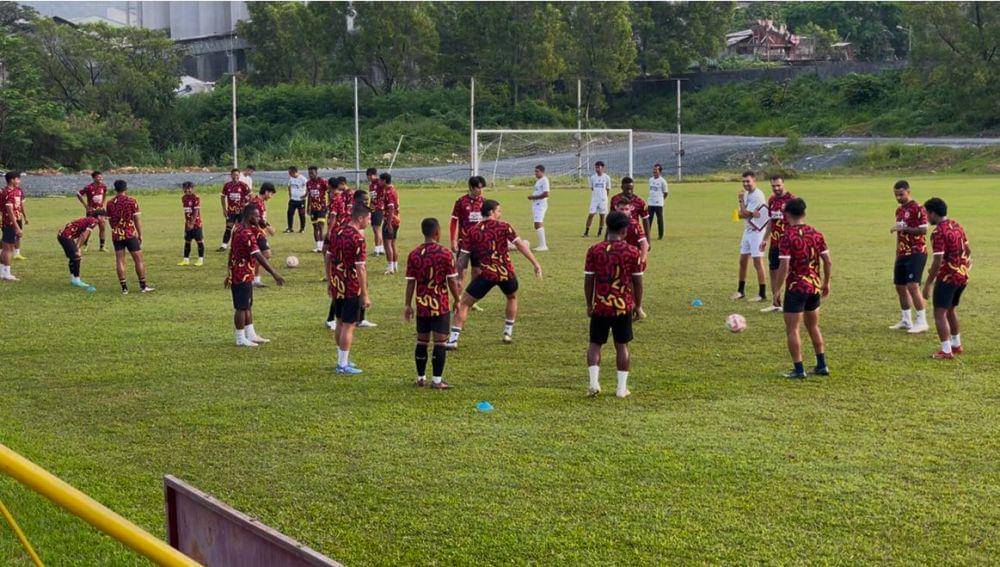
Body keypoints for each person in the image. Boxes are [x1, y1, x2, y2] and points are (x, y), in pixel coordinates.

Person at [446, 199, 542, 349]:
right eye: (498, 211)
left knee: (464, 303)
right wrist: (535, 263)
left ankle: (453, 340)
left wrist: (459, 276)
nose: (500, 213)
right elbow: (520, 245)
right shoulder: (504, 226)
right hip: (506, 272)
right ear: (491, 212)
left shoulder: (472, 231)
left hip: (486, 275)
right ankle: (507, 332)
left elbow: (463, 257)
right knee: (511, 297)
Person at [585, 211, 644, 398]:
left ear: (608, 227)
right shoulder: (633, 252)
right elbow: (637, 282)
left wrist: (589, 303)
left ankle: (594, 383)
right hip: (622, 305)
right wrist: (638, 305)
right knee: (621, 345)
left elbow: (589, 280)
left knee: (595, 344)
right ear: (625, 230)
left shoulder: (594, 249)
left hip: (600, 305)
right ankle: (621, 388)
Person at [775, 198, 831, 379]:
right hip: (814, 286)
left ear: (787, 215)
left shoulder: (786, 236)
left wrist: (777, 290)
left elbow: (784, 266)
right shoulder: (816, 234)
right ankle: (821, 365)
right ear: (804, 213)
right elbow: (827, 261)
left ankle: (799, 370)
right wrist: (826, 282)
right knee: (813, 326)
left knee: (793, 329)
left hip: (796, 287)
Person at [404, 218, 462, 389]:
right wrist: (457, 300)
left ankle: (420, 378)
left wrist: (408, 305)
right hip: (440, 303)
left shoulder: (414, 254)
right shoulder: (445, 254)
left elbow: (410, 283)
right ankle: (437, 381)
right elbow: (452, 281)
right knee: (440, 342)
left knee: (422, 341)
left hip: (422, 303)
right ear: (437, 232)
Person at [226, 204, 285, 347]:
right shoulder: (245, 233)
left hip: (244, 272)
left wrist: (262, 223)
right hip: (241, 274)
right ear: (249, 216)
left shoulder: (239, 228)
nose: (259, 218)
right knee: (241, 307)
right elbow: (258, 255)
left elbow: (232, 251)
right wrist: (274, 273)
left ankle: (250, 333)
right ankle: (240, 338)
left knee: (248, 304)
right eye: (257, 216)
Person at [922, 197, 971, 360]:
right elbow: (968, 249)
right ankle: (956, 345)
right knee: (950, 309)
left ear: (933, 213)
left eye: (927, 214)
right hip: (962, 276)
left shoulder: (938, 232)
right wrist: (961, 263)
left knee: (939, 313)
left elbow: (937, 261)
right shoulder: (956, 225)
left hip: (948, 278)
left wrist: (928, 283)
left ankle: (946, 351)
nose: (927, 218)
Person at [327, 204, 372, 374]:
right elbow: (360, 268)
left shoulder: (337, 231)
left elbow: (328, 257)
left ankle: (341, 359)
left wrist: (330, 281)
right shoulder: (357, 238)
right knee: (349, 325)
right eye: (368, 219)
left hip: (337, 283)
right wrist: (365, 294)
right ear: (360, 218)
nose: (368, 222)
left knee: (339, 321)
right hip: (351, 286)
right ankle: (342, 365)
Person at [888, 180, 930, 333]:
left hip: (916, 251)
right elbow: (901, 233)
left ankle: (922, 321)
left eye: (901, 194)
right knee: (900, 287)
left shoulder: (918, 208)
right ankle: (906, 320)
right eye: (896, 195)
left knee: (913, 286)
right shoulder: (899, 211)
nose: (899, 197)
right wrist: (897, 252)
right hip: (902, 253)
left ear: (908, 191)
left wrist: (905, 228)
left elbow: (923, 230)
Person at [106, 180, 154, 294]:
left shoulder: (109, 203)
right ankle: (143, 286)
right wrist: (140, 234)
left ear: (115, 189)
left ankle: (124, 288)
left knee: (120, 261)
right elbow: (136, 219)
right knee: (138, 260)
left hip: (117, 234)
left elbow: (110, 220)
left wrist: (115, 229)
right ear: (126, 189)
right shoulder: (131, 201)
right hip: (130, 233)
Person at [760, 174, 795, 312]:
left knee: (789, 272)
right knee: (773, 270)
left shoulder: (792, 200)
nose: (776, 188)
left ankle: (791, 304)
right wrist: (764, 239)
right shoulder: (772, 200)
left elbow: (796, 221)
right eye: (773, 186)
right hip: (775, 243)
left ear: (783, 184)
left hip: (788, 243)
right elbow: (771, 221)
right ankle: (776, 303)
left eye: (778, 185)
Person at [732, 170, 769, 302]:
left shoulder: (757, 195)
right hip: (748, 231)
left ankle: (762, 293)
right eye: (743, 181)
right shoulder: (747, 193)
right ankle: (740, 291)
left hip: (757, 233)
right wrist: (745, 211)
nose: (745, 184)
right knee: (742, 261)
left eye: (748, 181)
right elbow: (742, 214)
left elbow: (745, 213)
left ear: (754, 180)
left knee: (758, 263)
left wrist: (741, 201)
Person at [613, 197, 649, 318]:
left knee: (634, 283)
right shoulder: (612, 223)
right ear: (616, 208)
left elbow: (644, 244)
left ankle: (638, 307)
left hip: (634, 260)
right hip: (618, 259)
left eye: (626, 209)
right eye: (621, 209)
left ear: (630, 210)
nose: (623, 211)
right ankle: (627, 306)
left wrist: (642, 260)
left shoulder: (633, 225)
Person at [450, 176, 485, 293]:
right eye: (478, 188)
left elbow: (488, 222)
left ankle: (471, 299)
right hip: (464, 243)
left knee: (477, 272)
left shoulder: (484, 202)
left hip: (479, 244)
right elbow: (454, 221)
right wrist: (453, 240)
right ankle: (458, 302)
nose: (480, 191)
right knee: (461, 274)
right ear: (471, 187)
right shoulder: (461, 202)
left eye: (482, 188)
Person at [57, 212, 104, 290]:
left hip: (62, 236)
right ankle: (76, 279)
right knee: (77, 256)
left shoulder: (89, 219)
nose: (105, 220)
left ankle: (73, 278)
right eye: (104, 218)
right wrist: (78, 248)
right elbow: (84, 235)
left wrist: (77, 246)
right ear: (99, 217)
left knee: (73, 257)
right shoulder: (94, 221)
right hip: (66, 237)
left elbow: (81, 234)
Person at [251, 183, 278, 287]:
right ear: (266, 192)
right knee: (266, 254)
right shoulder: (256, 202)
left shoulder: (260, 202)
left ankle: (255, 279)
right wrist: (268, 228)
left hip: (259, 231)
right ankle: (255, 279)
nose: (271, 196)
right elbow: (257, 219)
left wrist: (268, 226)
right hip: (256, 232)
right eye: (271, 194)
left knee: (261, 255)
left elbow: (262, 218)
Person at [218, 168, 250, 251]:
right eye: (234, 175)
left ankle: (243, 245)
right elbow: (222, 196)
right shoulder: (227, 185)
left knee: (242, 229)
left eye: (237, 175)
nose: (235, 176)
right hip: (231, 211)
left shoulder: (243, 185)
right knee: (228, 227)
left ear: (239, 176)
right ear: (231, 175)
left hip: (241, 211)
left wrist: (246, 206)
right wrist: (224, 209)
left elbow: (250, 196)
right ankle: (224, 245)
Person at [77, 171, 108, 252]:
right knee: (89, 228)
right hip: (91, 211)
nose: (100, 178)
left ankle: (102, 246)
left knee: (102, 226)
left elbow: (105, 194)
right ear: (94, 178)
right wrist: (85, 206)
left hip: (100, 210)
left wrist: (104, 204)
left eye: (101, 177)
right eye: (98, 177)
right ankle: (85, 244)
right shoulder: (89, 187)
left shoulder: (103, 186)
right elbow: (78, 194)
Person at [0, 171, 22, 281]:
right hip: (9, 223)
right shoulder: (8, 192)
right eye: (17, 179)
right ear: (12, 180)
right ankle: (7, 274)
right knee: (8, 248)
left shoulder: (12, 191)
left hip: (7, 223)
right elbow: (9, 210)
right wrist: (17, 227)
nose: (19, 181)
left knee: (4, 247)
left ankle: (2, 271)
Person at [178, 181, 205, 267]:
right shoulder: (183, 198)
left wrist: (192, 223)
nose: (187, 190)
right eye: (185, 188)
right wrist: (188, 223)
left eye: (189, 188)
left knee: (199, 241)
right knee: (187, 241)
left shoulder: (196, 198)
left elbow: (196, 211)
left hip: (196, 224)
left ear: (192, 189)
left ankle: (200, 259)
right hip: (187, 223)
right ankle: (186, 260)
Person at [380, 172, 400, 274]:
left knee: (387, 244)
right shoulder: (392, 190)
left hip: (390, 221)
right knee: (392, 243)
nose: (379, 182)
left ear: (384, 181)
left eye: (380, 180)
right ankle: (395, 266)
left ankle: (390, 267)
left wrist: (388, 224)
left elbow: (391, 208)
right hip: (395, 220)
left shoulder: (389, 192)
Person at [584, 161, 611, 237]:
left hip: (603, 199)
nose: (597, 169)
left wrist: (604, 197)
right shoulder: (592, 177)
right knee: (591, 214)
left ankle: (599, 231)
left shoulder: (606, 177)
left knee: (602, 215)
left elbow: (608, 188)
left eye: (598, 167)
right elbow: (592, 188)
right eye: (596, 167)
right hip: (595, 199)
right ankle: (586, 231)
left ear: (602, 168)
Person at [307, 166, 329, 252]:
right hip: (313, 208)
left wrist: (329, 204)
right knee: (315, 227)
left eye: (312, 173)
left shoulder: (322, 181)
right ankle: (318, 246)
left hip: (322, 207)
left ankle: (321, 246)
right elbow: (309, 195)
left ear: (316, 173)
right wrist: (308, 207)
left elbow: (329, 191)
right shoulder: (308, 183)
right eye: (309, 173)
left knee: (320, 226)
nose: (311, 175)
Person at [528, 164, 550, 251]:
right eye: (535, 171)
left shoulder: (545, 180)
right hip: (536, 204)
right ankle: (541, 244)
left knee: (538, 223)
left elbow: (546, 194)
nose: (535, 173)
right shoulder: (539, 181)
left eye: (537, 171)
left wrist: (533, 197)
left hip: (540, 204)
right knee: (536, 223)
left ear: (542, 172)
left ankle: (543, 245)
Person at [647, 164, 669, 240]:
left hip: (658, 203)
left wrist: (661, 200)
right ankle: (647, 234)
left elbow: (665, 193)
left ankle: (660, 235)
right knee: (649, 219)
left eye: (656, 170)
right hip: (651, 203)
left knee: (659, 219)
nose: (654, 171)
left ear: (660, 171)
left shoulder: (663, 181)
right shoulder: (650, 180)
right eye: (654, 169)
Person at [367, 167, 385, 256]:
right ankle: (381, 249)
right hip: (373, 209)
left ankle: (377, 249)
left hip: (379, 209)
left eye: (370, 176)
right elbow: (372, 198)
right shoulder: (371, 186)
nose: (369, 178)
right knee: (376, 230)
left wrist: (380, 181)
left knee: (376, 229)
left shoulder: (379, 183)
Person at [285, 166, 308, 233]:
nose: (289, 174)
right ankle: (290, 228)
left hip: (301, 200)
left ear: (294, 172)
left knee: (301, 214)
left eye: (290, 172)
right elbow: (289, 186)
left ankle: (302, 228)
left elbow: (308, 187)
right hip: (293, 200)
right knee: (290, 213)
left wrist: (305, 195)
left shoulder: (303, 179)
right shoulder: (291, 179)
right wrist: (290, 195)